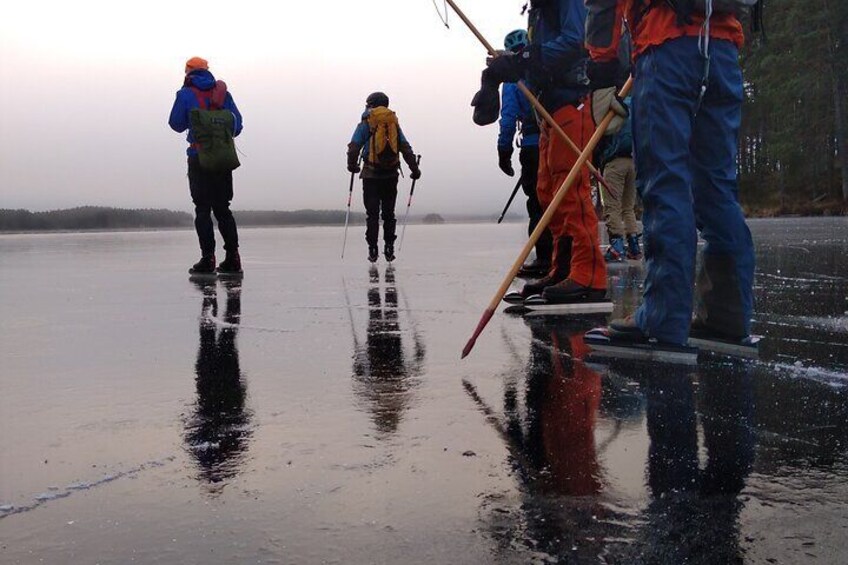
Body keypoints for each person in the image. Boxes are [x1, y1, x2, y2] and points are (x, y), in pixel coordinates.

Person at [584, 1, 756, 349]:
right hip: (721, 50)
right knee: (718, 187)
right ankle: (727, 317)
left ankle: (663, 318)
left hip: (666, 49)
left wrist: (601, 64)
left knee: (665, 185)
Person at [472, 0, 607, 305]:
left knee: (571, 191)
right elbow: (539, 57)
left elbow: (576, 42)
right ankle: (563, 269)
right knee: (549, 193)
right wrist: (505, 67)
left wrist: (525, 58)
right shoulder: (538, 9)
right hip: (547, 111)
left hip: (572, 102)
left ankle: (588, 276)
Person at [169, 56, 244, 275]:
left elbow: (176, 124)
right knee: (223, 209)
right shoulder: (223, 94)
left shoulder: (184, 94)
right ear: (207, 71)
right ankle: (233, 258)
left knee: (202, 209)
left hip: (198, 156)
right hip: (222, 158)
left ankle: (207, 259)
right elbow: (238, 125)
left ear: (188, 72)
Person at [497, 29, 552, 278]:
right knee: (559, 198)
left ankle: (543, 258)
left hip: (532, 144)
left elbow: (508, 117)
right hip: (556, 137)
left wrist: (504, 150)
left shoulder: (512, 78)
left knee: (537, 201)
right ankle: (564, 258)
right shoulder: (543, 65)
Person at [347, 92, 421, 263]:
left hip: (370, 175)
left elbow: (354, 146)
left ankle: (372, 249)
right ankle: (389, 247)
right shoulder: (393, 123)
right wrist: (415, 169)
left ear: (370, 104)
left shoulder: (367, 122)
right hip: (390, 175)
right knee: (389, 213)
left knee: (372, 214)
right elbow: (405, 147)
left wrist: (352, 165)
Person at [596, 95, 641, 262]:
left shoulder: (613, 105)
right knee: (628, 207)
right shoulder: (636, 104)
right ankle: (634, 245)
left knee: (612, 206)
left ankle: (617, 247)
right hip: (633, 161)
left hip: (614, 162)